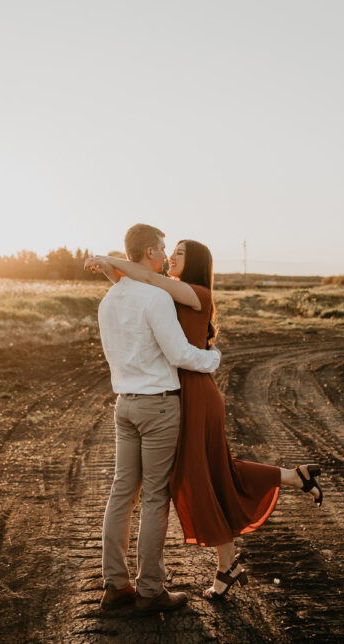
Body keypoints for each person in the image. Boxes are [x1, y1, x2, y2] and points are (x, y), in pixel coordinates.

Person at [86, 237, 324, 601]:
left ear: (193, 262)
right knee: (211, 473)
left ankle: (226, 563)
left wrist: (110, 260)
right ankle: (285, 485)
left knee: (204, 475)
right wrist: (111, 270)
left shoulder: (193, 292)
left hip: (195, 392)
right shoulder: (166, 293)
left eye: (178, 253)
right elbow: (137, 290)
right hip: (180, 391)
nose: (169, 258)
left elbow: (143, 281)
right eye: (168, 251)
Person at [91, 223, 221, 614]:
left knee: (120, 494)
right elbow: (180, 354)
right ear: (149, 252)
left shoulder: (109, 300)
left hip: (124, 404)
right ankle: (150, 590)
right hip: (159, 406)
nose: (166, 256)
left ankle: (115, 585)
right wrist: (212, 359)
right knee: (153, 498)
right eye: (163, 248)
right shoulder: (155, 298)